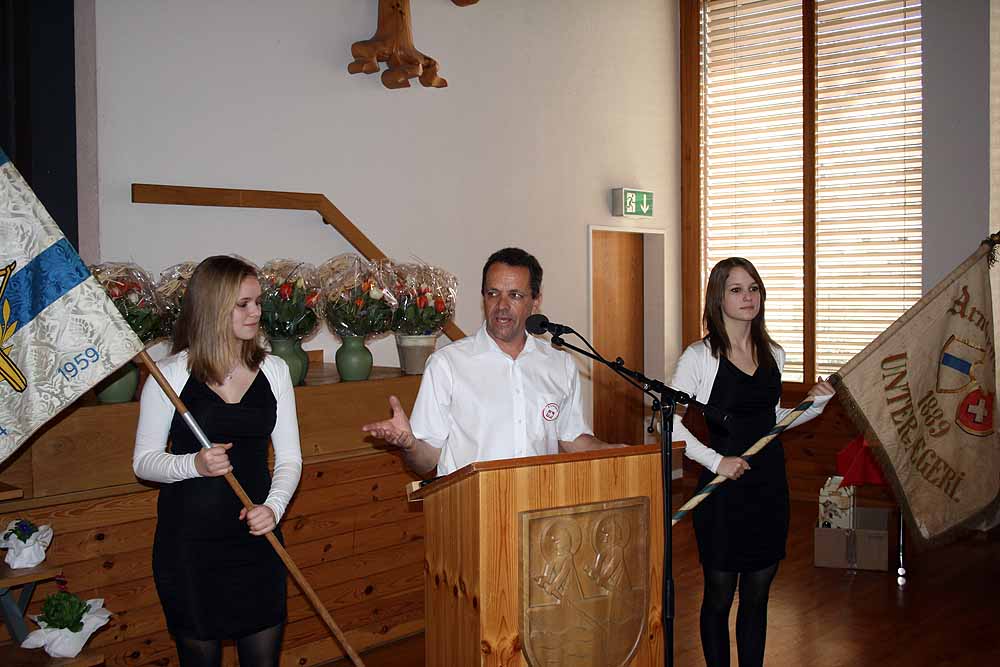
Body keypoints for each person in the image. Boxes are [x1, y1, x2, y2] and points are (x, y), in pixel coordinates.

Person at [133, 255, 303, 667]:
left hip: (257, 538)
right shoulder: (170, 375)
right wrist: (193, 465)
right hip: (190, 546)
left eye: (257, 302)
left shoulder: (275, 370)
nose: (256, 312)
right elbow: (144, 462)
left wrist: (273, 509)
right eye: (243, 304)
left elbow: (289, 459)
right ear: (212, 307)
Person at [669, 257, 834, 667]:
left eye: (754, 288)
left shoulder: (774, 352)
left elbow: (771, 422)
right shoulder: (700, 356)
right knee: (719, 595)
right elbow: (666, 424)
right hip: (723, 493)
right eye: (736, 289)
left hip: (768, 487)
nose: (748, 297)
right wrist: (716, 461)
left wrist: (814, 405)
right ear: (718, 298)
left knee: (758, 595)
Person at [362, 247, 618, 476]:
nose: (501, 305)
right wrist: (410, 444)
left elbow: (573, 439)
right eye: (493, 293)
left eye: (515, 295)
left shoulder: (559, 364)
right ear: (483, 297)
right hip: (472, 506)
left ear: (535, 301)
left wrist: (617, 452)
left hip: (538, 504)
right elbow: (426, 460)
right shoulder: (447, 364)